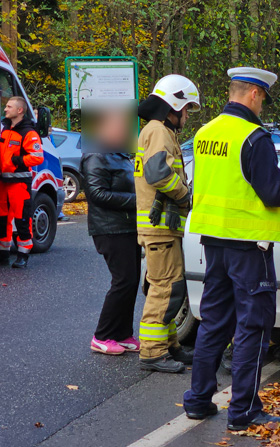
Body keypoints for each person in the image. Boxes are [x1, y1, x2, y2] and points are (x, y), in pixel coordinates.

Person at [182, 67, 280, 431]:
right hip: (249, 247)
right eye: (264, 100)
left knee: (213, 323)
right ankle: (243, 412)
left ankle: (197, 400)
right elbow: (273, 193)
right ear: (255, 94)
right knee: (253, 327)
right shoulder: (254, 137)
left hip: (213, 241)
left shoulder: (204, 132)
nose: (263, 108)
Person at [134, 75, 199, 373]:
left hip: (162, 226)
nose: (187, 115)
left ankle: (169, 344)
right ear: (173, 104)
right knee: (165, 288)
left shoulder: (158, 131)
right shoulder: (158, 131)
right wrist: (186, 196)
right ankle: (152, 352)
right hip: (159, 226)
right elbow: (159, 174)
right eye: (186, 108)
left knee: (169, 286)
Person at [81, 108, 142, 355]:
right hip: (109, 228)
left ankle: (123, 333)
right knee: (123, 281)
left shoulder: (119, 154)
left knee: (132, 281)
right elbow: (96, 194)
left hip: (127, 226)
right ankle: (102, 335)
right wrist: (138, 201)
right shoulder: (96, 155)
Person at [0, 96, 44, 268]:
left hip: (19, 183)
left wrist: (17, 162)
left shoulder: (29, 132)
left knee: (22, 219)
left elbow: (37, 157)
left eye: (9, 106)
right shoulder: (4, 129)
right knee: (1, 218)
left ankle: (23, 254)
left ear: (19, 110)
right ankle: (3, 252)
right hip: (3, 181)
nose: (5, 109)